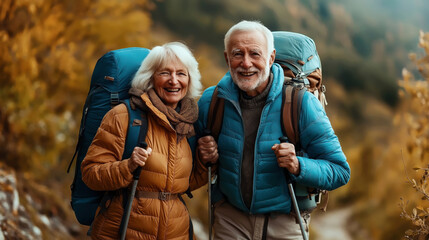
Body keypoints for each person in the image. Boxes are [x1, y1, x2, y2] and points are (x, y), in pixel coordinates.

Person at [194, 20, 351, 239]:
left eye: (255, 54)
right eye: (237, 53)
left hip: (285, 222)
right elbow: (187, 164)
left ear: (271, 57)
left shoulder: (301, 103)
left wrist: (298, 165)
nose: (246, 63)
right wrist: (203, 157)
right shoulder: (213, 101)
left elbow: (340, 171)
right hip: (230, 220)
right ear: (226, 58)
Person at [81, 42, 208, 240]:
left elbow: (182, 184)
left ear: (190, 79)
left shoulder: (188, 124)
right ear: (150, 77)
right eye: (165, 73)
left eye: (181, 74)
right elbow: (90, 173)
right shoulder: (123, 116)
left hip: (176, 232)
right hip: (123, 230)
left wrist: (207, 162)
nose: (173, 81)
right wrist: (128, 166)